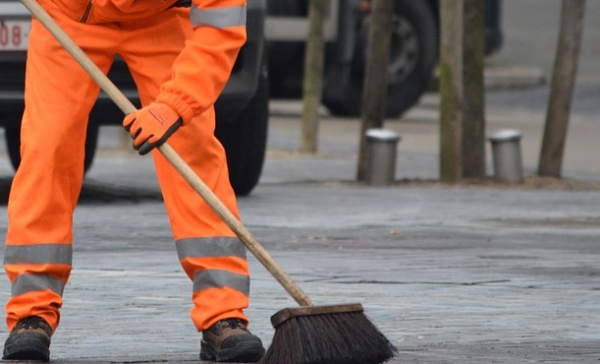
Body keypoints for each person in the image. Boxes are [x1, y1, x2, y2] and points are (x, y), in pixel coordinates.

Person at [2, 0, 265, 362]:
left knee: (192, 148)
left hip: (161, 18)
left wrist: (174, 105)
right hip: (68, 13)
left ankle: (224, 314)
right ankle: (31, 313)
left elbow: (221, 27)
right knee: (47, 148)